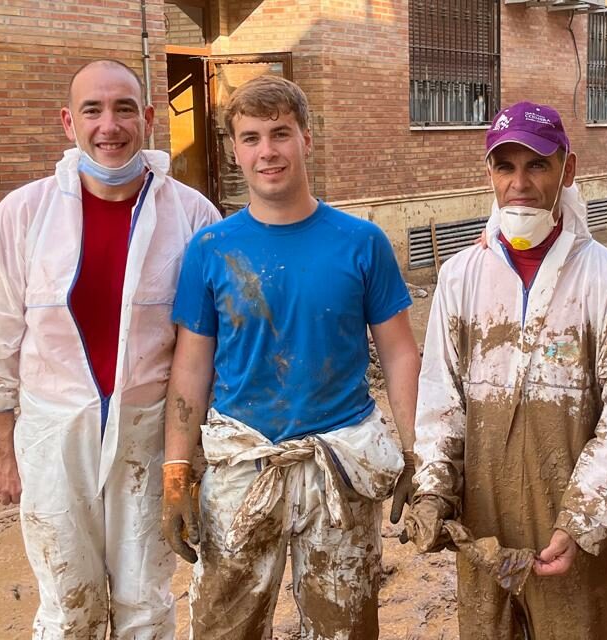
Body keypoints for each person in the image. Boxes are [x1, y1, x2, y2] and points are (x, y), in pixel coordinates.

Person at [0, 59, 221, 637]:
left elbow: (208, 344)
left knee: (144, 599)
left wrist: (194, 452)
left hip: (149, 431)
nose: (110, 125)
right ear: (67, 121)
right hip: (54, 435)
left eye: (125, 108)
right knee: (67, 599)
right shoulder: (23, 216)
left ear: (149, 118)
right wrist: (2, 450)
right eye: (92, 110)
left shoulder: (194, 216)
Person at [161, 75, 420, 639]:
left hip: (338, 467)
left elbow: (399, 352)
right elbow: (191, 366)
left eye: (280, 133)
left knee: (345, 626)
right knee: (223, 627)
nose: (267, 151)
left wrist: (411, 448)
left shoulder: (361, 241)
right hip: (240, 465)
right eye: (250, 138)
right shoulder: (211, 250)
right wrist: (177, 469)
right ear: (234, 150)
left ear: (306, 138)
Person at [407, 101, 607, 639]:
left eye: (536, 165)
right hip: (483, 522)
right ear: (490, 173)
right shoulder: (461, 275)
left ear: (568, 169)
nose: (519, 183)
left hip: (567, 528)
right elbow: (441, 399)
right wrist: (432, 489)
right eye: (505, 166)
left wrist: (581, 519)